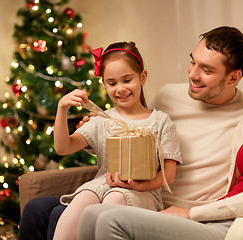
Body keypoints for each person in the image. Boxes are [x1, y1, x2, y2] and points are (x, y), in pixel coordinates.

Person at [17, 26, 243, 240]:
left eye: (206, 70)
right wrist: (95, 128)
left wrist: (192, 212)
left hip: (182, 208)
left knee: (100, 215)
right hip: (137, 194)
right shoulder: (168, 97)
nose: (192, 75)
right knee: (39, 209)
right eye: (193, 62)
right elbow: (136, 126)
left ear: (234, 77)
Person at [37, 42, 182, 240]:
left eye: (127, 80)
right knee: (82, 199)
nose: (120, 89)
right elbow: (63, 148)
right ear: (104, 84)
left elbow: (169, 174)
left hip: (143, 193)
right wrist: (62, 109)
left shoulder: (160, 121)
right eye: (112, 83)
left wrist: (139, 186)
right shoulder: (102, 120)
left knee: (114, 198)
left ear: (143, 77)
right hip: (103, 184)